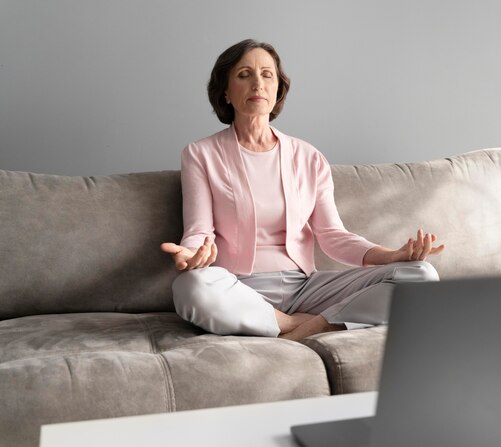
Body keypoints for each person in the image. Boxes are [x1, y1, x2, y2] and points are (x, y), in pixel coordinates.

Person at [161, 39, 444, 341]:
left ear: (277, 90)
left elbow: (333, 236)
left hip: (306, 288)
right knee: (188, 287)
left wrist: (392, 256)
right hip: (237, 287)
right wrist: (191, 255)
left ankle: (318, 324)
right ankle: (290, 324)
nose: (258, 83)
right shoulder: (201, 154)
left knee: (422, 275)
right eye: (244, 74)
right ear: (226, 92)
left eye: (267, 75)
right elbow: (199, 230)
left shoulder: (308, 157)